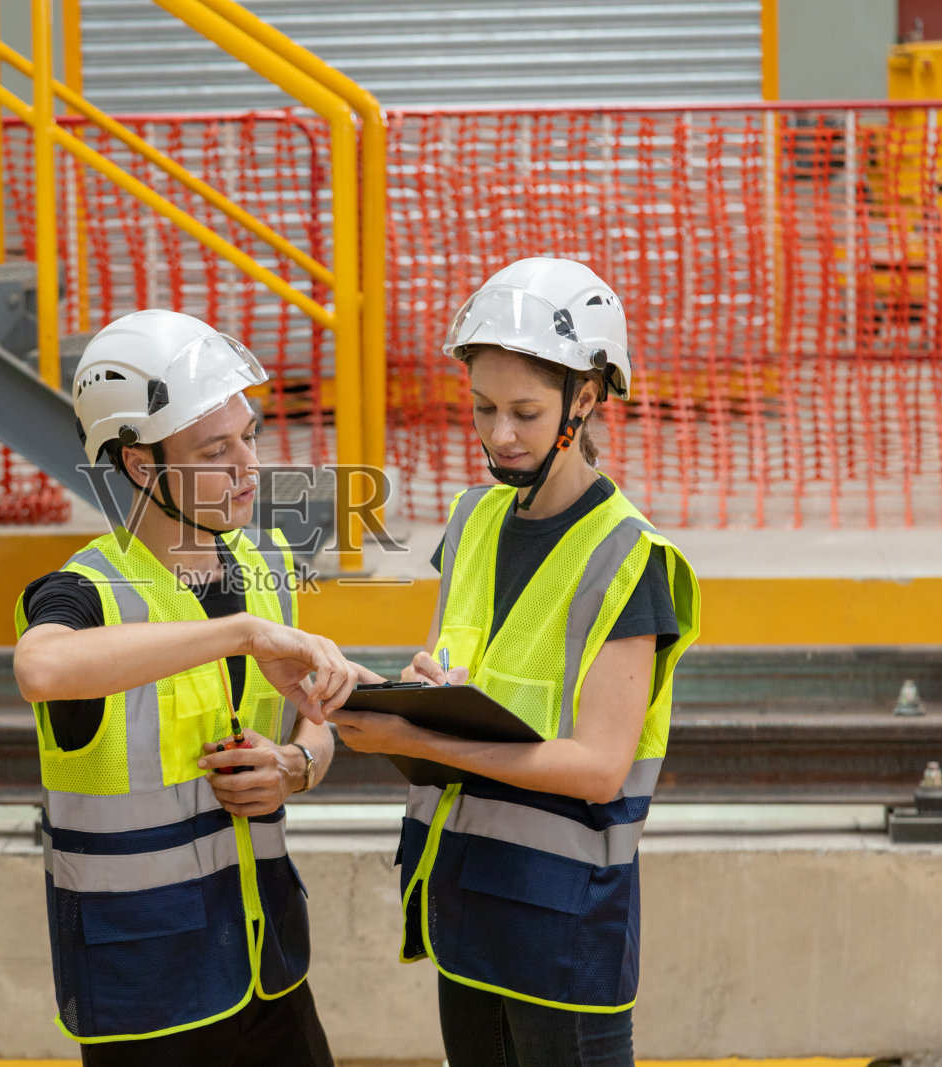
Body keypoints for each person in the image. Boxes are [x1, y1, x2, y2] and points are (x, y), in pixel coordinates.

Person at [328, 259, 702, 1067]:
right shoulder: (472, 516)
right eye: (484, 408)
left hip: (561, 934)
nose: (501, 434)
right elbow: (461, 664)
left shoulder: (626, 557)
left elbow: (600, 768)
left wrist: (421, 740)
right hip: (466, 905)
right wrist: (425, 693)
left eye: (526, 412)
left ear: (587, 398)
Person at [12, 309, 378, 1066]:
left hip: (265, 963)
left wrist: (296, 767)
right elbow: (41, 667)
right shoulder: (86, 591)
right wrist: (238, 633)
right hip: (145, 991)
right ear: (143, 466)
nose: (248, 465)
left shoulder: (268, 562)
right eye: (217, 450)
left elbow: (312, 719)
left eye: (250, 435)